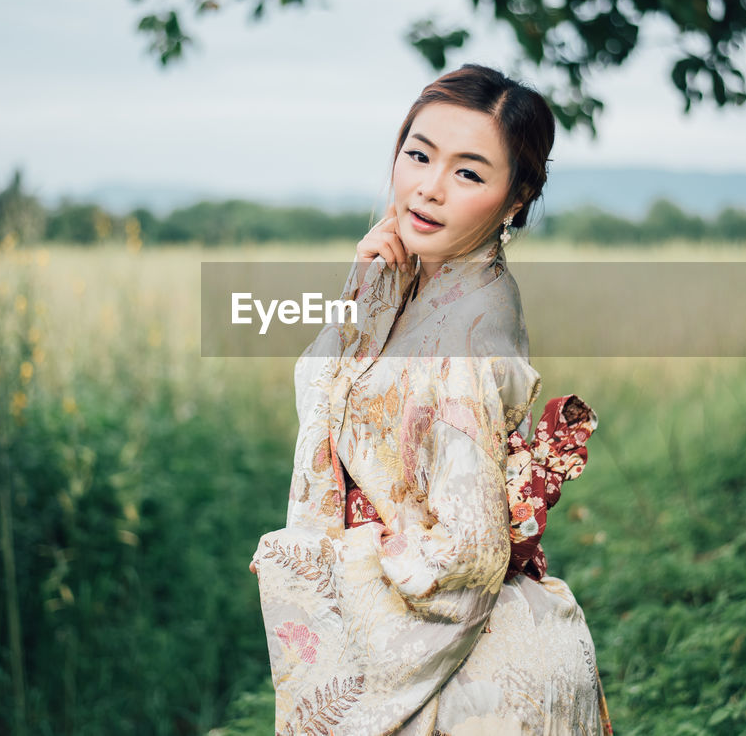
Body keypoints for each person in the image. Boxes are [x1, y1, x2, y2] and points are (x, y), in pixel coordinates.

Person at [250, 64, 612, 735]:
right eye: (418, 155)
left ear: (515, 197)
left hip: (475, 688)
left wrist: (322, 568)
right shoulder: (423, 282)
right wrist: (370, 291)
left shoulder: (468, 333)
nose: (429, 187)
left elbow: (469, 555)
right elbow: (330, 392)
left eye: (469, 173)